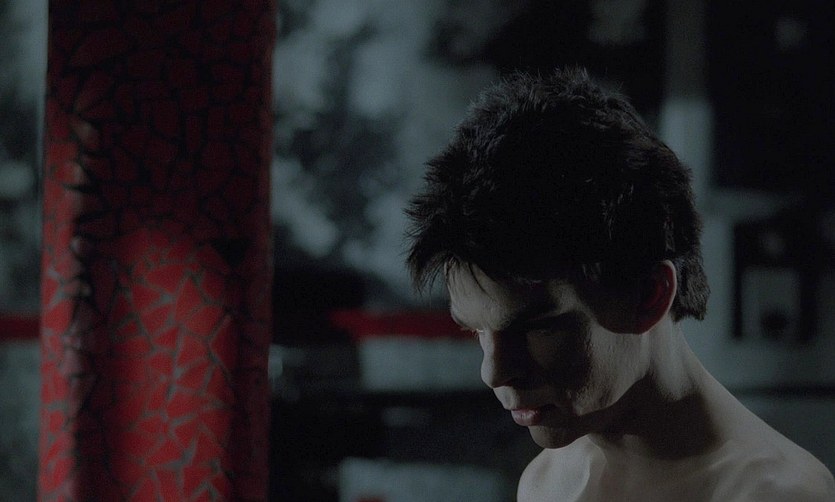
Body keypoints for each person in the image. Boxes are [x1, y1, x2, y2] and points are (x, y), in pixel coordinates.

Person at [404, 68, 835, 501]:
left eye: (538, 327)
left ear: (649, 295)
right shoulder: (546, 484)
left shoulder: (774, 495)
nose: (494, 371)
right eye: (476, 329)